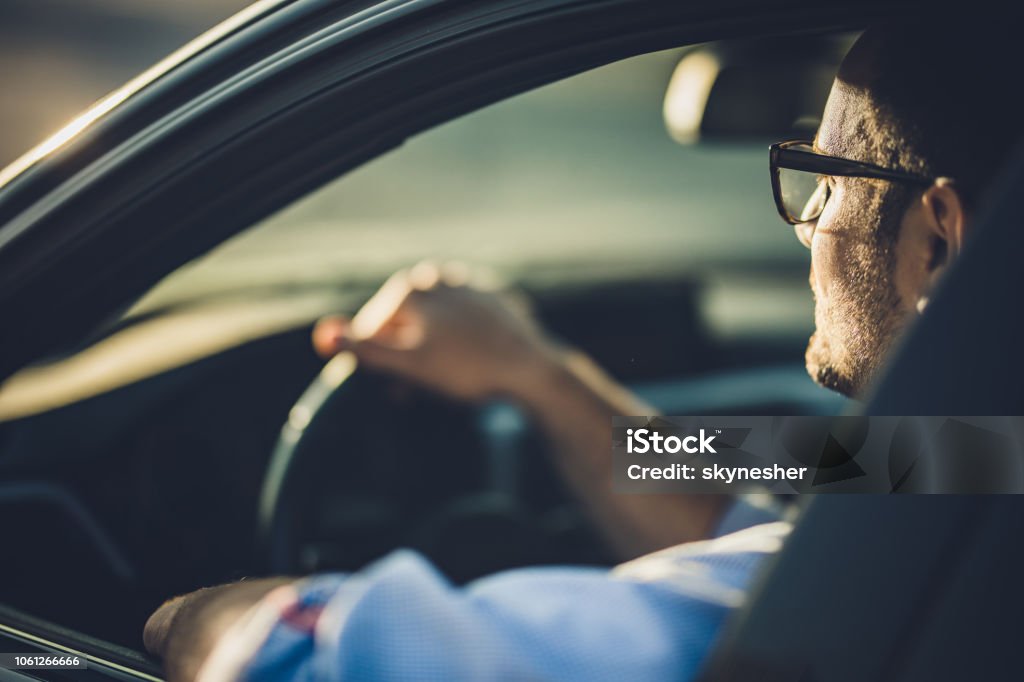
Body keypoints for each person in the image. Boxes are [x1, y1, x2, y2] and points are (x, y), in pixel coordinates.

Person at [143, 20, 1020, 681]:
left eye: (831, 184)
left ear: (937, 243)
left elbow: (321, 654)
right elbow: (763, 516)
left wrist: (172, 618)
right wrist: (537, 376)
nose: (808, 230)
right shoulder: (973, 461)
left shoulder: (889, 584)